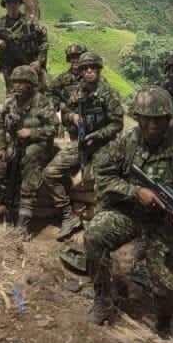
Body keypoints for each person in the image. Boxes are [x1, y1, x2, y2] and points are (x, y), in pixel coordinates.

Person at [85, 87, 173, 338]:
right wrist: (134, 191)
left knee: (168, 288)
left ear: (167, 119)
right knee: (95, 235)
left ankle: (163, 320)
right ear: (138, 118)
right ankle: (104, 301)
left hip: (161, 220)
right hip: (128, 213)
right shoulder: (125, 142)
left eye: (158, 119)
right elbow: (103, 176)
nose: (152, 124)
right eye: (146, 118)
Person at [44, 52, 123, 241]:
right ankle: (68, 215)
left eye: (92, 68)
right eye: (85, 68)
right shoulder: (76, 92)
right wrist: (71, 117)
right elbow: (65, 113)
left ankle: (100, 225)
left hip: (103, 144)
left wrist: (97, 135)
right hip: (81, 143)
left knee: (103, 182)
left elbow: (117, 124)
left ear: (98, 70)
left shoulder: (109, 93)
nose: (88, 72)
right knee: (50, 173)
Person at [0, 64, 59, 234]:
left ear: (31, 83)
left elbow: (54, 127)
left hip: (38, 146)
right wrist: (1, 147)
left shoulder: (41, 101)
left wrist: (32, 132)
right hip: (15, 146)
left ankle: (23, 223)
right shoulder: (11, 102)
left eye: (22, 82)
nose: (17, 85)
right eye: (15, 82)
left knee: (29, 163)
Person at [0, 0, 48, 89]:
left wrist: (39, 61)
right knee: (14, 99)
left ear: (19, 4)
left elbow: (44, 41)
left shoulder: (30, 22)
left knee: (39, 97)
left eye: (15, 3)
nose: (12, 6)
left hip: (32, 68)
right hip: (11, 72)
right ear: (5, 5)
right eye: (9, 3)